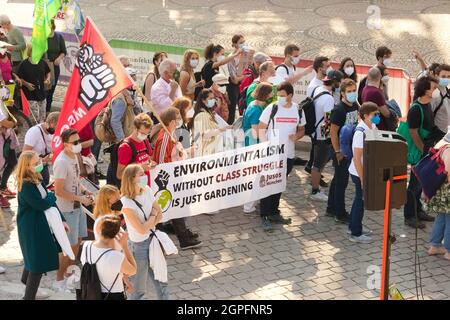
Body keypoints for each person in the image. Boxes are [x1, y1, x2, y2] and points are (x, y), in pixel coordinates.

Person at [16, 150, 68, 299]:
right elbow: (41, 204)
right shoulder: (26, 185)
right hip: (31, 228)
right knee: (36, 264)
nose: (40, 164)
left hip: (40, 225)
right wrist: (52, 197)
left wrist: (62, 219)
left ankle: (25, 281)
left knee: (32, 259)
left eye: (39, 161)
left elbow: (49, 202)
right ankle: (28, 297)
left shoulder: (37, 178)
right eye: (36, 163)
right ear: (26, 167)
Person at [257, 82, 306, 232]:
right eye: (278, 95)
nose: (279, 98)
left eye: (283, 96)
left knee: (279, 183)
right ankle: (264, 215)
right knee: (268, 184)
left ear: (290, 95)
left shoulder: (298, 110)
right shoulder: (272, 108)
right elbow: (260, 128)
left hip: (288, 155)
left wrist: (296, 136)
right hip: (272, 155)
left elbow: (302, 130)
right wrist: (267, 147)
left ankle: (274, 212)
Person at [152, 107, 201, 250]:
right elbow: (161, 161)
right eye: (178, 117)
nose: (179, 120)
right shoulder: (165, 136)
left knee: (173, 207)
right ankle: (183, 238)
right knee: (175, 207)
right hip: (168, 179)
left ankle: (180, 233)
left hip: (175, 177)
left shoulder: (171, 134)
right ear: (172, 121)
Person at [53, 128, 94, 292]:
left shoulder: (75, 157)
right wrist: (80, 199)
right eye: (75, 142)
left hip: (78, 207)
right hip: (67, 210)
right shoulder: (61, 162)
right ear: (65, 145)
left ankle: (69, 277)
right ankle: (58, 280)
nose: (79, 144)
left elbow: (76, 180)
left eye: (79, 141)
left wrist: (84, 190)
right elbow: (59, 190)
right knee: (67, 248)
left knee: (77, 244)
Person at [120, 164, 168, 300]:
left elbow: (160, 214)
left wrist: (150, 221)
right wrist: (153, 216)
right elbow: (141, 229)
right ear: (132, 179)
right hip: (139, 247)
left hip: (153, 242)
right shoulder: (126, 202)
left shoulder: (147, 190)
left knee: (162, 282)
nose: (144, 176)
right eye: (141, 174)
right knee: (139, 290)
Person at [404, 76, 439, 229]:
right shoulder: (416, 109)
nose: (436, 90)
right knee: (414, 185)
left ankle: (418, 210)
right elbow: (413, 133)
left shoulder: (428, 105)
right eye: (433, 88)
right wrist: (423, 152)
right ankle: (410, 215)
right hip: (420, 153)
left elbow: (430, 127)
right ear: (425, 90)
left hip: (426, 150)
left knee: (420, 184)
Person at [80, 215, 137, 300]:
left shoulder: (86, 246)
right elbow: (133, 270)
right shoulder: (115, 256)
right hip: (112, 295)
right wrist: (124, 246)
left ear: (99, 230)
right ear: (117, 234)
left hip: (91, 293)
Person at [327, 79, 359, 223]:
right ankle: (339, 213)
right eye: (349, 91)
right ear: (343, 93)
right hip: (340, 151)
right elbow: (333, 133)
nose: (352, 94)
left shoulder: (355, 106)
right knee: (341, 182)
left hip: (349, 149)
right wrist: (338, 151)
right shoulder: (339, 110)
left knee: (337, 180)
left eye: (354, 91)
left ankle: (331, 207)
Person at [348, 102, 379, 243]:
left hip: (365, 171)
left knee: (358, 200)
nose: (377, 117)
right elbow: (356, 158)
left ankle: (354, 226)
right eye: (375, 114)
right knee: (360, 201)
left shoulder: (371, 126)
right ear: (366, 116)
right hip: (359, 172)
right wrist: (362, 178)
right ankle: (356, 233)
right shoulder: (360, 132)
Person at [310, 70, 344, 202]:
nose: (340, 85)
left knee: (317, 162)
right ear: (334, 81)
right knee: (318, 163)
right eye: (339, 82)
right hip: (321, 135)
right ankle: (315, 190)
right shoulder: (329, 99)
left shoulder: (318, 90)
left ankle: (315, 186)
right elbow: (327, 121)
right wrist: (326, 138)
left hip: (315, 132)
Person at [242, 82, 273, 214]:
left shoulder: (253, 105)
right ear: (266, 94)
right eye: (271, 92)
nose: (273, 94)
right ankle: (249, 205)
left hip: (250, 143)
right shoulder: (256, 110)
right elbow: (256, 131)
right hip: (254, 145)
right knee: (255, 176)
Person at [305, 56, 332, 183]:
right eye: (327, 66)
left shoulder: (325, 83)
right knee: (318, 152)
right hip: (317, 125)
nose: (329, 68)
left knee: (319, 153)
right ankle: (314, 173)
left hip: (322, 126)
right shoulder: (314, 85)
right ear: (320, 68)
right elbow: (311, 107)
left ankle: (313, 169)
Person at [427, 130, 450, 261]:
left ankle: (435, 246)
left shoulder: (441, 146)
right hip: (448, 190)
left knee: (441, 217)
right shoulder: (449, 151)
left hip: (441, 190)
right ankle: (449, 251)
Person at [116, 113, 155, 187]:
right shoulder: (125, 147)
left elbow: (148, 157)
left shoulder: (145, 140)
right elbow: (119, 175)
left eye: (147, 134)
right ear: (135, 128)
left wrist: (151, 163)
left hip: (145, 186)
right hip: (133, 190)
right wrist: (140, 167)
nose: (144, 136)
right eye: (142, 133)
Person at [189, 89, 231, 157]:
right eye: (210, 98)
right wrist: (222, 129)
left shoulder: (207, 114)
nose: (213, 100)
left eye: (213, 98)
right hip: (206, 153)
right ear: (203, 100)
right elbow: (204, 134)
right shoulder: (202, 115)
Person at [16, 44, 51, 124]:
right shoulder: (24, 64)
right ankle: (33, 132)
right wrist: (27, 84)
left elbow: (48, 72)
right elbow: (19, 78)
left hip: (41, 94)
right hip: (30, 95)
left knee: (42, 118)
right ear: (30, 52)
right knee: (34, 118)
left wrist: (48, 79)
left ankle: (41, 133)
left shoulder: (42, 62)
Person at [23, 112, 59, 186]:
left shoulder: (52, 132)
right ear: (50, 122)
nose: (57, 130)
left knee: (45, 184)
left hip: (43, 164)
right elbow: (25, 154)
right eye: (56, 126)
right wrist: (43, 160)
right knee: (37, 188)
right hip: (32, 167)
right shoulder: (34, 132)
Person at [227, 34, 249, 124]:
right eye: (241, 42)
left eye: (244, 42)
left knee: (243, 109)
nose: (243, 44)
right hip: (233, 87)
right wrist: (245, 76)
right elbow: (235, 79)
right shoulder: (231, 57)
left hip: (243, 85)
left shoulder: (245, 54)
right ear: (235, 44)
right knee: (231, 112)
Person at [45, 19, 66, 113]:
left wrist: (59, 58)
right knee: (45, 88)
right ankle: (43, 109)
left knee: (51, 89)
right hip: (44, 66)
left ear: (53, 27)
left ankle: (48, 110)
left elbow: (64, 51)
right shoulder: (42, 37)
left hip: (55, 67)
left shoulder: (58, 37)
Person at [430, 64, 450, 141]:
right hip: (437, 136)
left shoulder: (446, 90)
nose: (447, 79)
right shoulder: (434, 94)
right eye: (443, 76)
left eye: (449, 77)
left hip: (445, 134)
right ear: (436, 76)